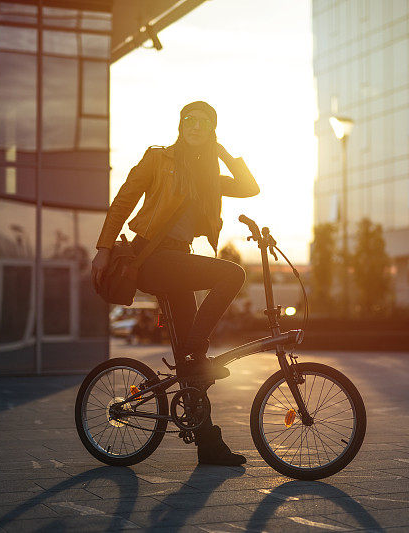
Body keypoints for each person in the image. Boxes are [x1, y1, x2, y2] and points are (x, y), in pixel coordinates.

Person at [91, 101, 260, 466]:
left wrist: (224, 153)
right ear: (180, 125)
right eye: (188, 120)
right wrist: (104, 248)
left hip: (177, 259)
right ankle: (198, 353)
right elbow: (122, 202)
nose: (194, 125)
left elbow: (250, 187)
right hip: (152, 257)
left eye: (203, 122)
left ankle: (208, 445)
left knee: (190, 359)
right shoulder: (159, 159)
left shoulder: (209, 176)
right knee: (232, 274)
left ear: (212, 130)